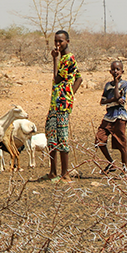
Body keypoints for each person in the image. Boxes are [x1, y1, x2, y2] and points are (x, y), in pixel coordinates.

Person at [46, 29, 82, 182]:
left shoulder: (67, 59)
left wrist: (54, 59)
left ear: (67, 41)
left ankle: (64, 173)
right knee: (51, 133)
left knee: (61, 136)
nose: (58, 44)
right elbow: (79, 78)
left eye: (60, 41)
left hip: (61, 104)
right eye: (56, 41)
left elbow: (56, 79)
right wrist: (70, 94)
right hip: (57, 102)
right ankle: (53, 172)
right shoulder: (67, 59)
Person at [95, 59, 127, 174]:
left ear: (122, 71)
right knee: (99, 139)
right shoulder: (107, 85)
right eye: (113, 69)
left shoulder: (123, 84)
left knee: (121, 143)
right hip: (109, 115)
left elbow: (119, 97)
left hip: (119, 115)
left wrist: (116, 85)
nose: (115, 71)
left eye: (118, 69)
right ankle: (111, 163)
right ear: (110, 71)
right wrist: (114, 99)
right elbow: (103, 101)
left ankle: (125, 170)